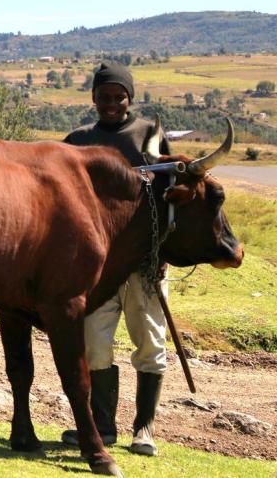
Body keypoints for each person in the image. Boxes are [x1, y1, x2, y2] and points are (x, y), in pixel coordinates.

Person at [61, 61, 170, 457]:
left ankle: (144, 429)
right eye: (103, 96)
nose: (110, 104)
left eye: (118, 97)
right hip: (97, 265)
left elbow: (167, 202)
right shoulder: (77, 140)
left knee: (149, 340)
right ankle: (103, 426)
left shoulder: (149, 136)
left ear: (130, 99)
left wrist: (160, 255)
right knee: (94, 344)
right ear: (93, 98)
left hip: (144, 261)